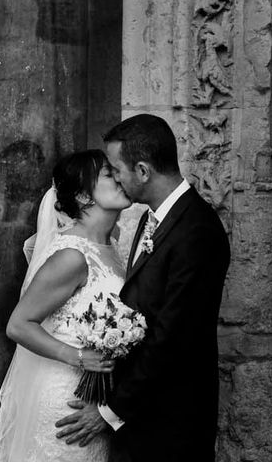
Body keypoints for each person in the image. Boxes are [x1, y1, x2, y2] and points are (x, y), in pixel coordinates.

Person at [55, 114, 231, 461]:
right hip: (141, 420)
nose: (115, 179)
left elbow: (172, 338)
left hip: (169, 426)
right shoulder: (154, 218)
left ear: (143, 171)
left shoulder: (196, 230)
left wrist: (109, 412)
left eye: (116, 169)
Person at [0, 149, 132, 462]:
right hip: (65, 398)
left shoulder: (111, 247)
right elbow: (18, 324)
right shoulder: (71, 255)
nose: (121, 178)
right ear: (83, 196)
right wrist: (79, 356)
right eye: (110, 174)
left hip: (95, 397)